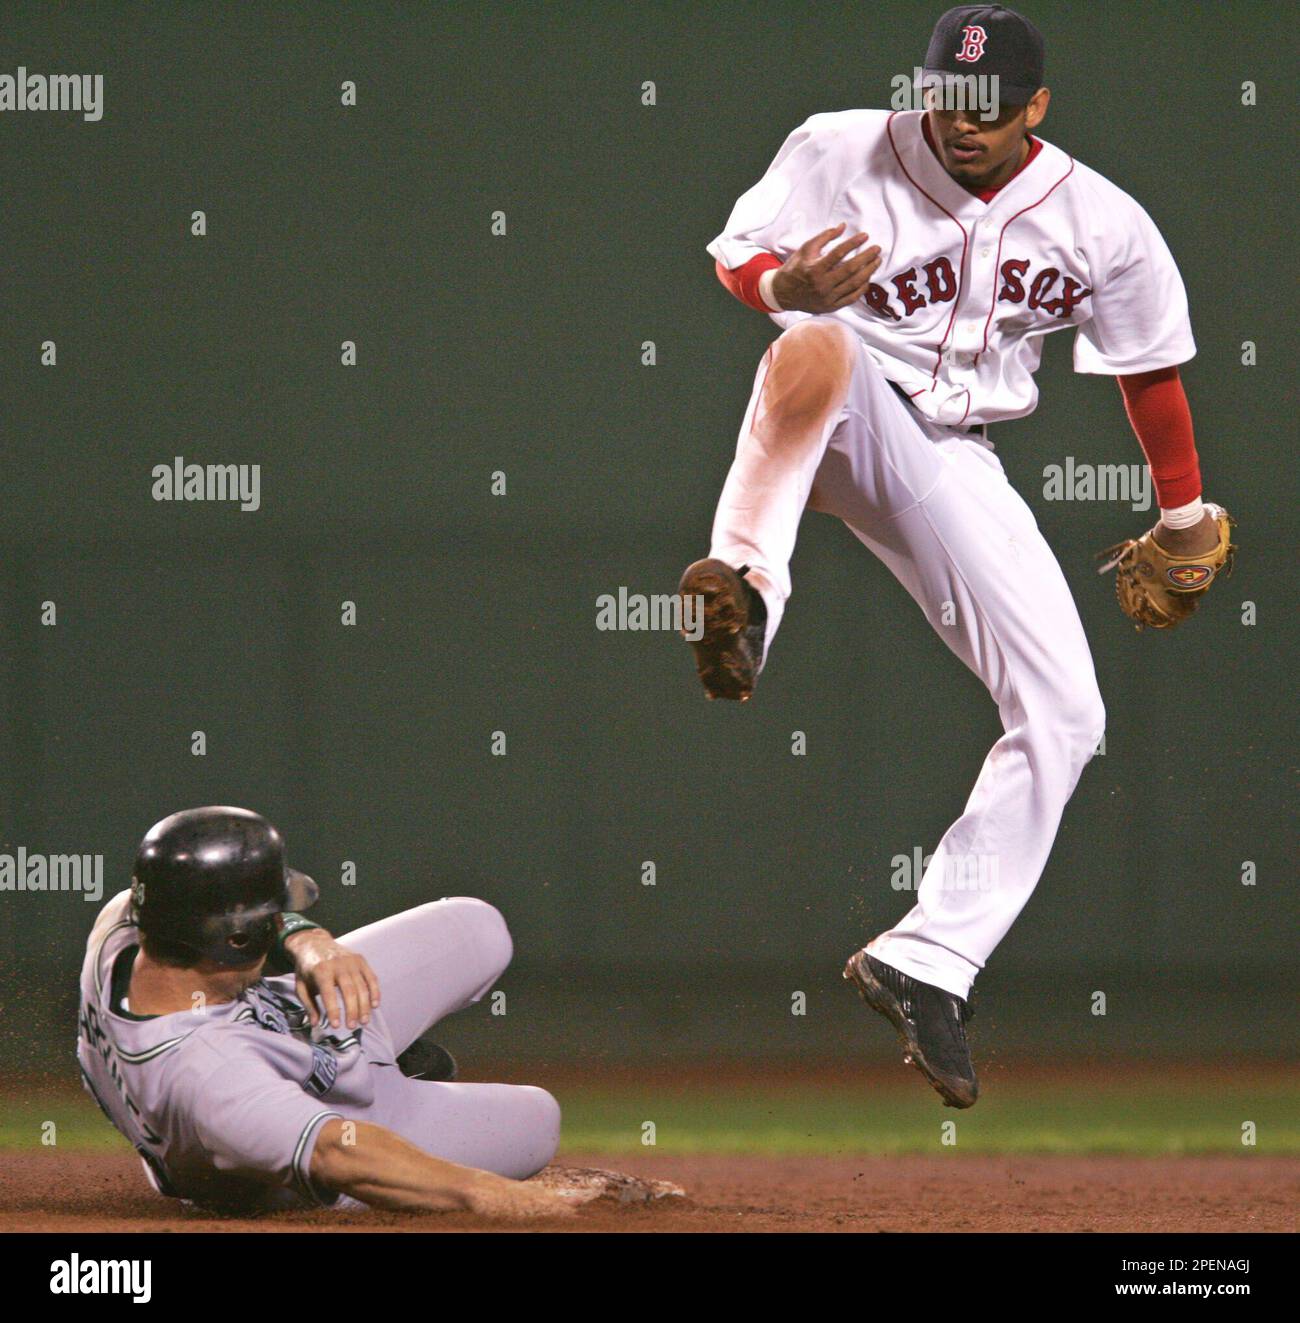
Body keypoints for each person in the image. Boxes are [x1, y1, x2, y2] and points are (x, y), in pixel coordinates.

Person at [679, 5, 1233, 1107]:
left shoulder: (1099, 219)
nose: (960, 122)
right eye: (943, 96)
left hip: (950, 459)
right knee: (816, 339)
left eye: (987, 106)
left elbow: (1148, 375)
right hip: (835, 404)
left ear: (1034, 107)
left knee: (1067, 715)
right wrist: (784, 287)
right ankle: (742, 586)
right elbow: (741, 255)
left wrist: (1181, 515)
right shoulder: (841, 147)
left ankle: (927, 957)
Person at [76, 806, 574, 1216]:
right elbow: (339, 1153)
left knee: (479, 929)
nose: (278, 921)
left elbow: (200, 911)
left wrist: (305, 939)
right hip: (327, 1114)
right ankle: (392, 1088)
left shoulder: (119, 932)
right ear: (235, 938)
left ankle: (391, 1066)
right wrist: (494, 1195)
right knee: (537, 1120)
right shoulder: (211, 1079)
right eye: (269, 920)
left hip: (299, 1023)